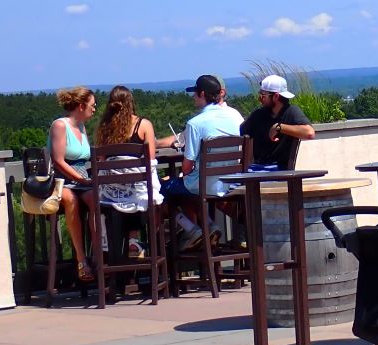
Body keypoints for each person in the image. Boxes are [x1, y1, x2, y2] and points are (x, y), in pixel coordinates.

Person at [159, 74, 245, 249]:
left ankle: (192, 229)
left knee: (160, 190)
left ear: (203, 94)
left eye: (195, 93)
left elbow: (187, 166)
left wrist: (186, 173)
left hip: (205, 186)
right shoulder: (236, 117)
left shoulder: (195, 124)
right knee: (186, 188)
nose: (193, 97)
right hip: (232, 183)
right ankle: (209, 227)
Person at [93, 85, 162, 258]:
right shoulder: (143, 125)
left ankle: (119, 250)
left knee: (120, 205)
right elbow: (151, 159)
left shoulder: (104, 128)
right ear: (131, 102)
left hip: (112, 196)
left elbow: (101, 161)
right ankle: (140, 244)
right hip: (138, 192)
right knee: (152, 198)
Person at [48, 86, 98, 282]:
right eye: (92, 106)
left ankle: (97, 254)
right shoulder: (60, 125)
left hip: (82, 178)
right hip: (62, 180)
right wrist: (81, 179)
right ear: (81, 105)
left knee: (96, 199)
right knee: (70, 200)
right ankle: (81, 258)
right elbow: (58, 160)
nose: (94, 109)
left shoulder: (82, 127)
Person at [240, 74, 315, 170]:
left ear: (275, 96)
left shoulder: (291, 112)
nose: (260, 99)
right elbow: (241, 134)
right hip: (256, 167)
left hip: (278, 169)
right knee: (230, 182)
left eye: (263, 95)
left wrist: (279, 127)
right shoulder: (258, 115)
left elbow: (309, 133)